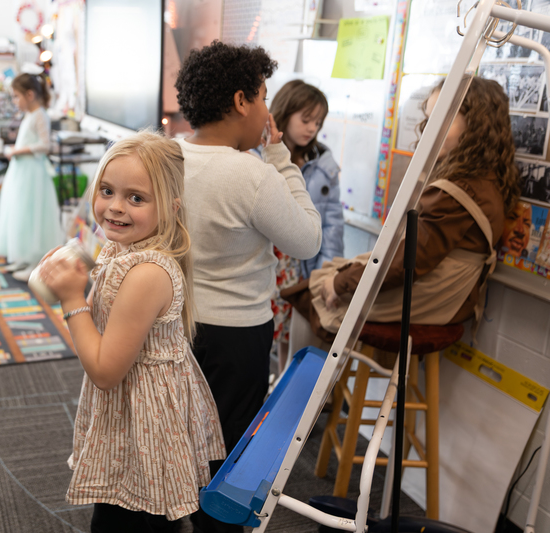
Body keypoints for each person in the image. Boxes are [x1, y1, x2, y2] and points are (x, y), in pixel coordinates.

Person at [37, 131, 226, 532]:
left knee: (127, 522)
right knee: (121, 514)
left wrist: (72, 298)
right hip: (131, 409)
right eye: (107, 190)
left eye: (136, 198)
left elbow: (105, 371)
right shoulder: (122, 250)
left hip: (145, 422)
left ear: (171, 208)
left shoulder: (146, 274)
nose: (115, 207)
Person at [173, 41, 322, 532]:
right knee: (226, 455)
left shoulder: (164, 155)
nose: (266, 110)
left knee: (177, 442)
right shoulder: (251, 173)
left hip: (170, 322)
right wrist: (279, 156)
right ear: (241, 102)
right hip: (235, 334)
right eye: (263, 96)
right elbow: (306, 239)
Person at [287, 75, 520, 341]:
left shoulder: (458, 191)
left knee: (315, 292)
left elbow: (409, 262)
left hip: (434, 296)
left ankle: (305, 382)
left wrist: (341, 283)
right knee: (329, 275)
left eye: (444, 118)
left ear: (478, 125)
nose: (431, 129)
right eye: (430, 119)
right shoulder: (485, 177)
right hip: (447, 295)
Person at [268, 80, 343, 356]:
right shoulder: (257, 156)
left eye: (318, 123)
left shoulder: (324, 165)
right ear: (285, 113)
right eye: (306, 119)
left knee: (297, 341)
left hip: (302, 267)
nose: (312, 128)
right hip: (268, 263)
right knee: (266, 336)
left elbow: (332, 225)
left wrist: (326, 272)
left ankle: (286, 393)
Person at [0, 73, 63, 280]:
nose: (15, 101)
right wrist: (17, 148)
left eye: (16, 96)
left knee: (31, 214)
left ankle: (35, 262)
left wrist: (17, 151)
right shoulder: (30, 115)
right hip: (22, 172)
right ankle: (23, 256)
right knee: (20, 212)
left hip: (33, 173)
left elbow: (44, 145)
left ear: (29, 94)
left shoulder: (40, 114)